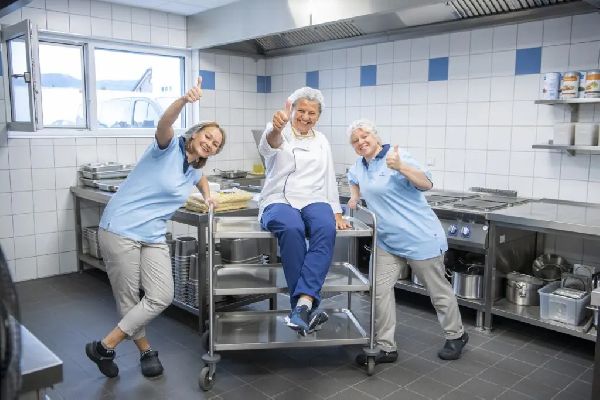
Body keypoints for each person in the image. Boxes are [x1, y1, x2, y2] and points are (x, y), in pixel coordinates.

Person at [85, 77, 226, 378]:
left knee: (161, 294)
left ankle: (105, 346)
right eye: (208, 136)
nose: (210, 143)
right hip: (121, 228)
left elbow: (199, 179)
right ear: (196, 133)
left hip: (152, 235)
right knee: (128, 298)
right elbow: (165, 122)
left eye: (215, 144)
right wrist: (184, 100)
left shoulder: (194, 168)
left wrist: (207, 195)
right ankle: (146, 351)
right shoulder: (167, 147)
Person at [346, 119, 468, 365]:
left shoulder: (397, 156)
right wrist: (355, 196)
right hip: (387, 241)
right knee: (379, 292)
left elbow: (426, 183)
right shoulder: (360, 164)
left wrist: (401, 167)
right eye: (355, 140)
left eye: (365, 136)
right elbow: (353, 178)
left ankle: (456, 334)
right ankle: (385, 347)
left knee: (438, 292)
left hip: (419, 237)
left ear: (376, 136)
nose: (361, 142)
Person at [258, 87, 351, 336]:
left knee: (326, 227)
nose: (306, 117)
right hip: (279, 198)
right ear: (292, 110)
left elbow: (328, 176)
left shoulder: (321, 140)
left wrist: (336, 211)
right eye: (301, 111)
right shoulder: (279, 131)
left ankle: (302, 306)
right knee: (292, 227)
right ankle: (303, 308)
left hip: (314, 198)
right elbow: (268, 146)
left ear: (318, 117)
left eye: (312, 113)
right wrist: (276, 128)